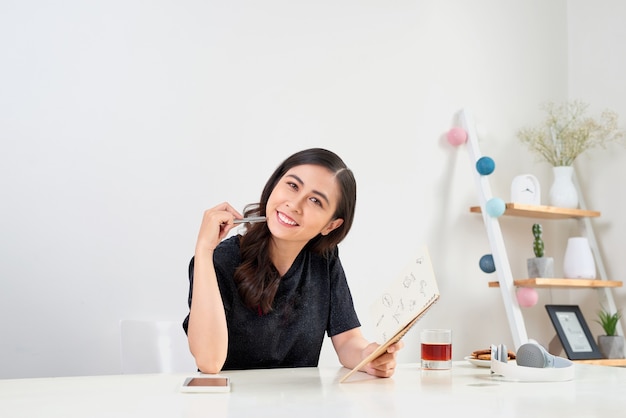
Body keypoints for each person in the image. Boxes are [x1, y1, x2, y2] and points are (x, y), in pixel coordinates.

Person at [183, 148, 403, 377]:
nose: (295, 204)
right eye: (293, 186)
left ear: (331, 225)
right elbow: (209, 363)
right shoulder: (220, 259)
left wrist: (367, 357)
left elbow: (348, 339)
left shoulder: (325, 260)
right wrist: (204, 249)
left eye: (315, 201)